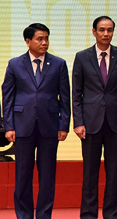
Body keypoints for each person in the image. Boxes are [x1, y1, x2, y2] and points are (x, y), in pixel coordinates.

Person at [2, 23, 70, 219]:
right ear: (28, 41)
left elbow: (65, 97)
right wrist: (9, 126)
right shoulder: (15, 64)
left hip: (50, 126)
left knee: (47, 176)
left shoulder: (58, 64)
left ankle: (43, 215)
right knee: (23, 175)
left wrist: (63, 125)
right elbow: (7, 96)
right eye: (40, 39)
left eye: (47, 38)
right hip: (22, 126)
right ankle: (23, 215)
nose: (44, 43)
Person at [72, 16, 117, 219]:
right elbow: (76, 93)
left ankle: (111, 214)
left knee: (113, 173)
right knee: (90, 173)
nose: (106, 33)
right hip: (90, 124)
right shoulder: (82, 57)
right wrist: (78, 122)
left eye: (110, 30)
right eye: (102, 30)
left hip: (116, 123)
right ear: (94, 32)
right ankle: (88, 215)